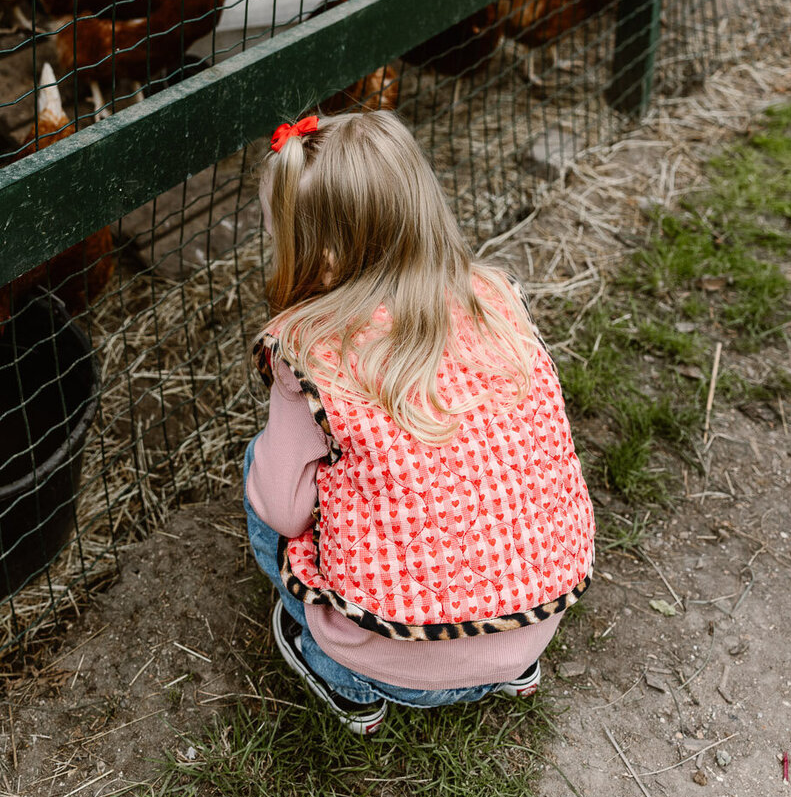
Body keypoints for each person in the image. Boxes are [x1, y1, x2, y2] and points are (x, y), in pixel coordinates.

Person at [244, 109, 595, 734]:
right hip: (532, 628)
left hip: (393, 661)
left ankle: (343, 674)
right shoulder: (493, 298)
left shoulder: (310, 350)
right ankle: (505, 666)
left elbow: (284, 513)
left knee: (264, 467)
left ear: (321, 259)